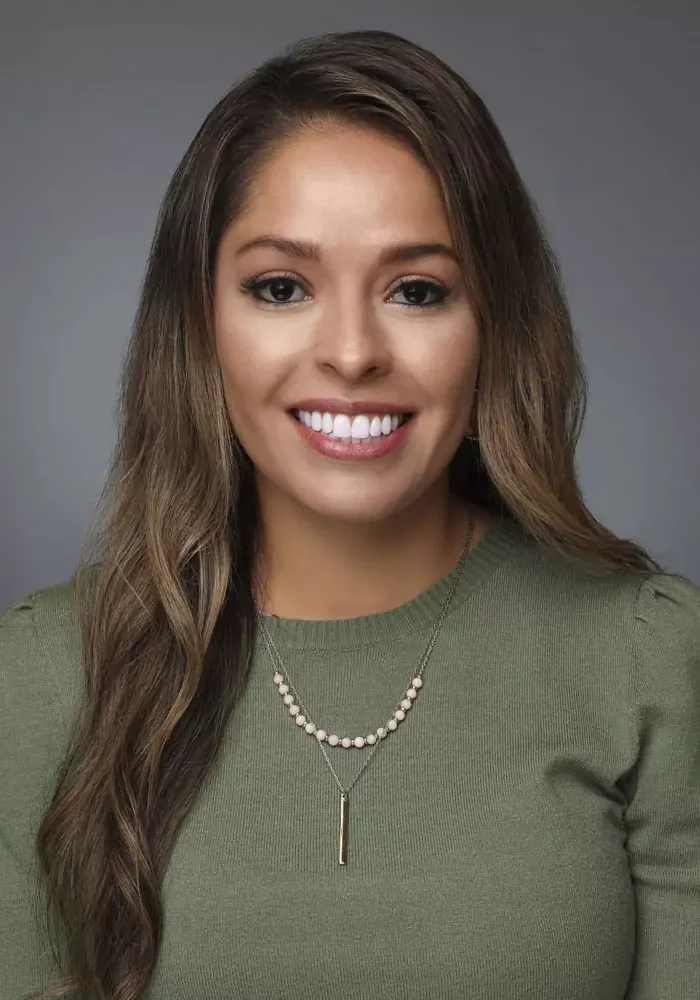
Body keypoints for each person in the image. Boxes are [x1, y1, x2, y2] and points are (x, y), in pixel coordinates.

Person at [1, 27, 698, 1000]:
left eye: (417, 290)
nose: (353, 351)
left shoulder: (645, 658)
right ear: (201, 325)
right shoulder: (40, 676)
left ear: (493, 325)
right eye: (280, 287)